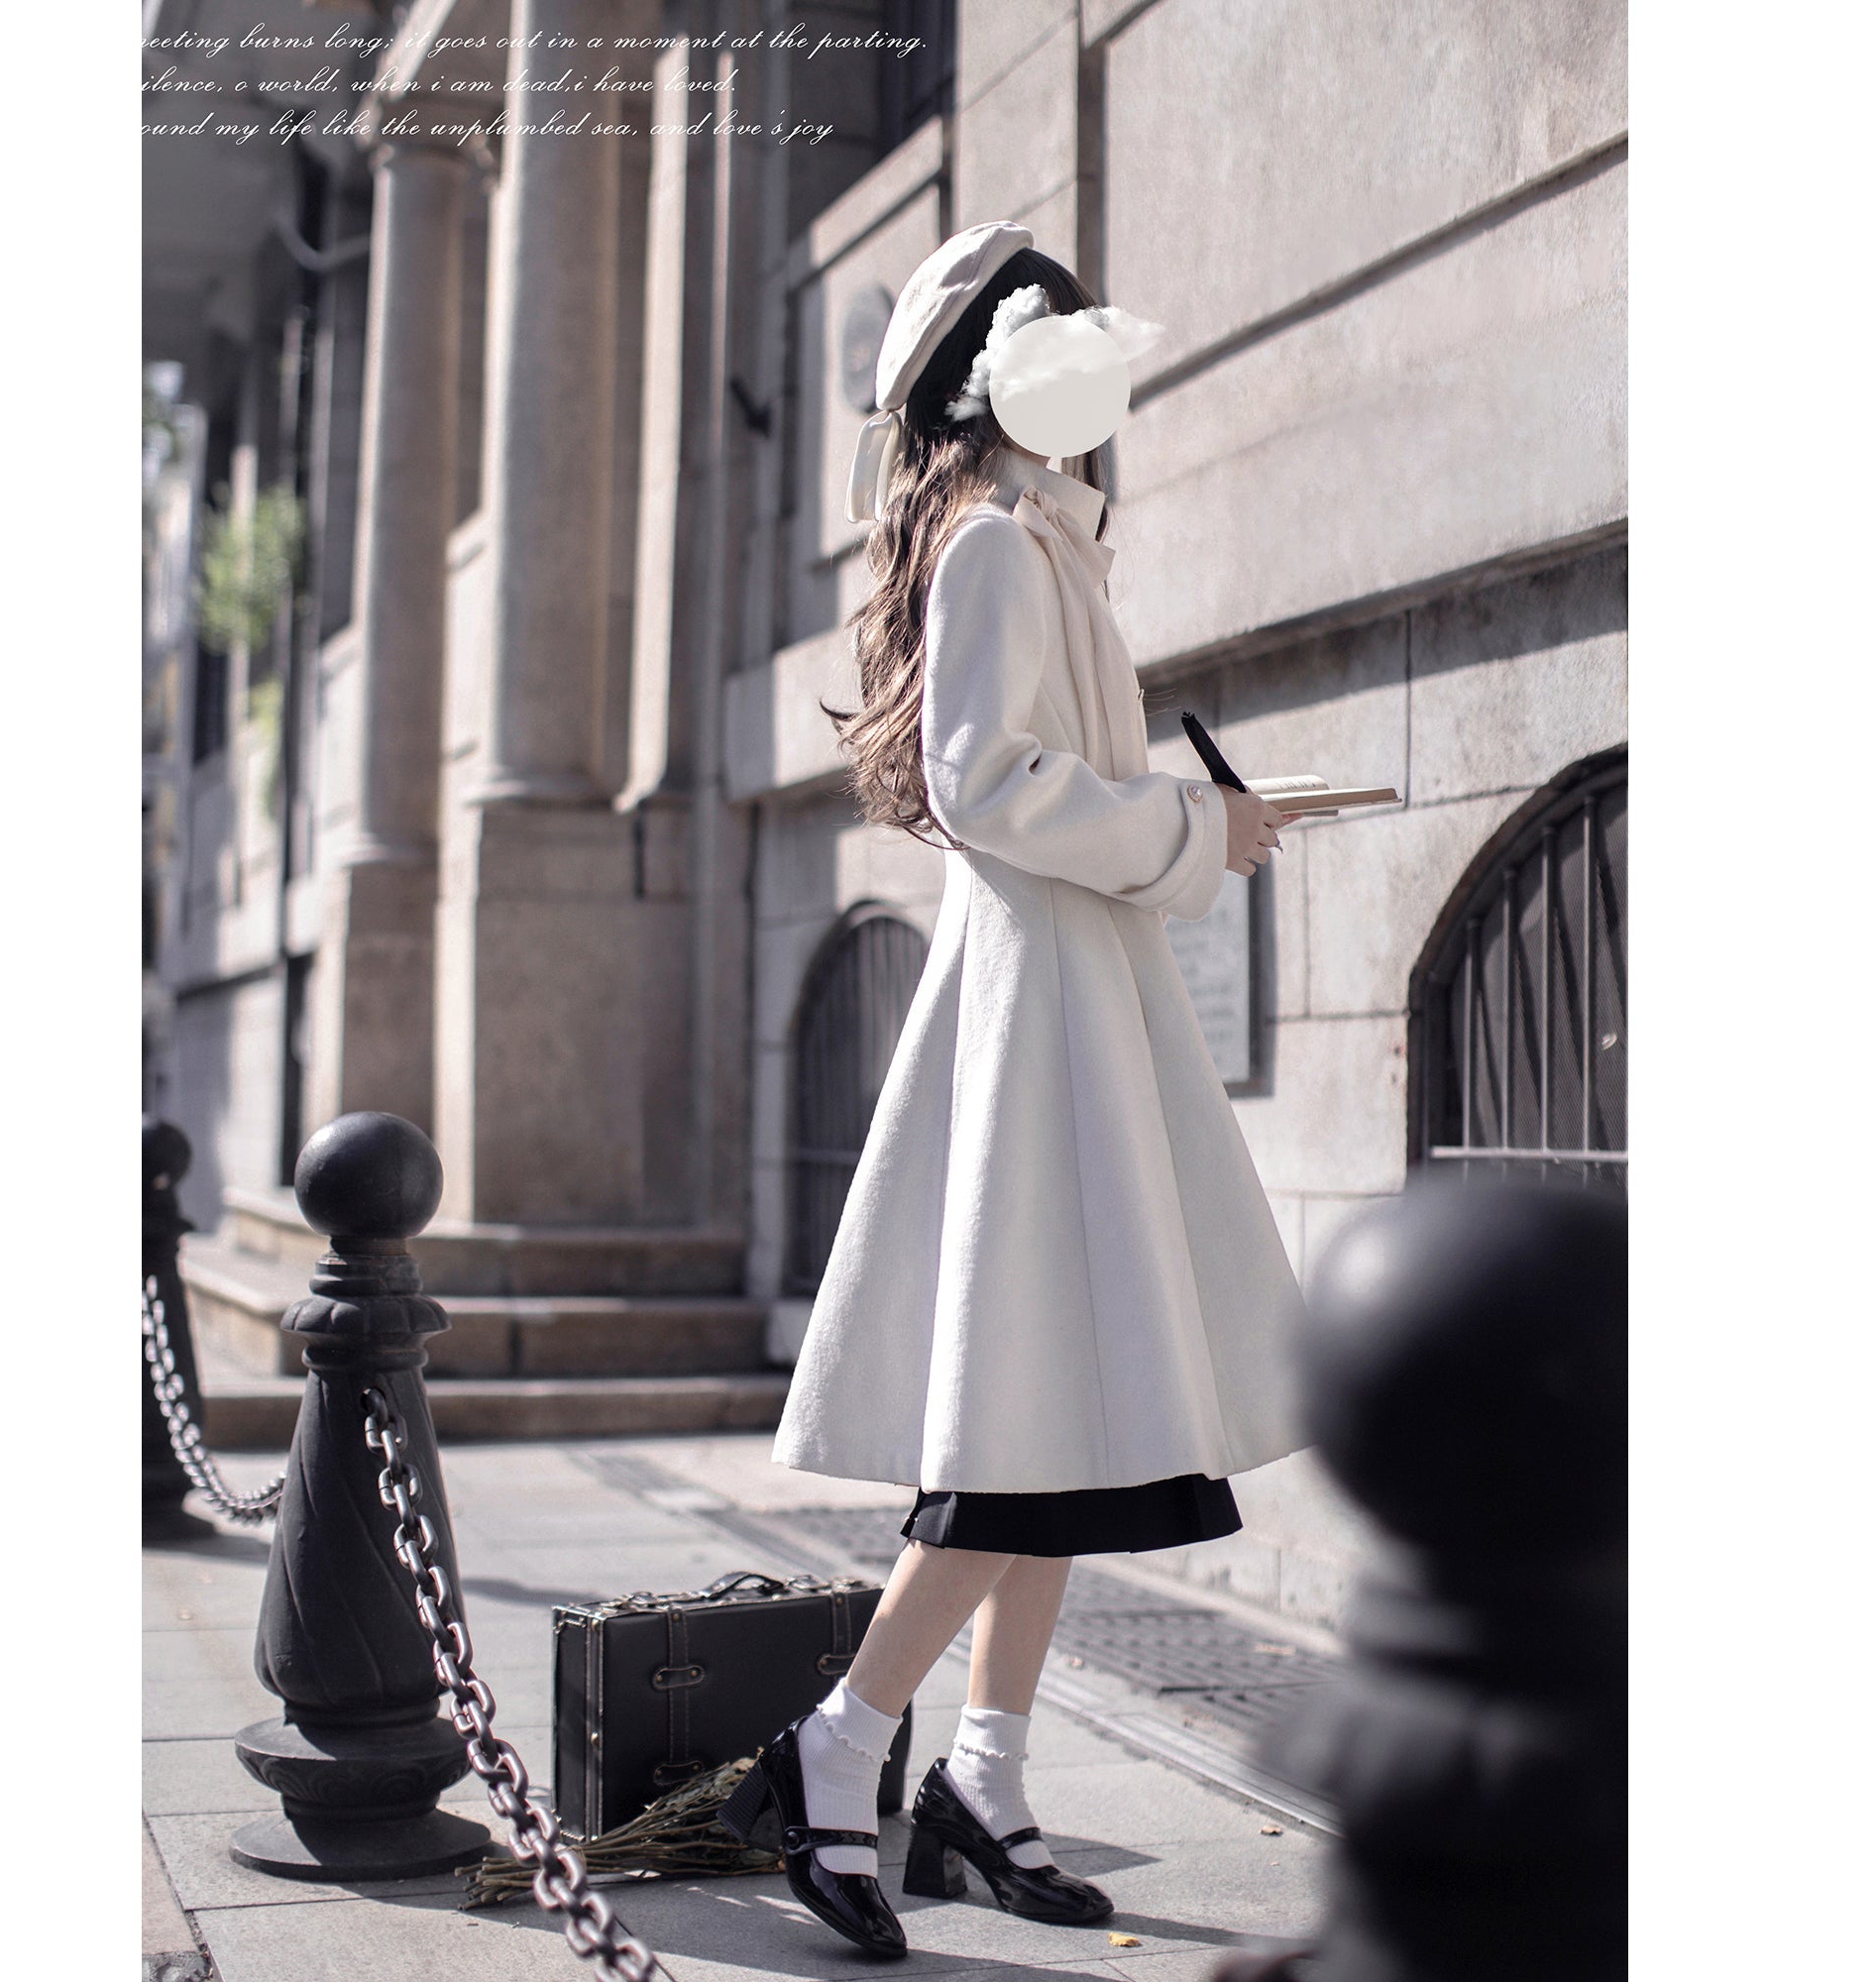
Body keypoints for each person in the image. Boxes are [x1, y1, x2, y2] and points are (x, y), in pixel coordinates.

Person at [719, 222, 1309, 1960]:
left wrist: (1199, 828)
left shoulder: (1042, 539)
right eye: (1055, 334)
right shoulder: (996, 543)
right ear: (995, 372)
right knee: (1010, 1446)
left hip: (1076, 1002)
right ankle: (834, 1754)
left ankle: (982, 1784)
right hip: (1041, 1015)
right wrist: (1195, 825)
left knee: (1058, 1422)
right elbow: (983, 781)